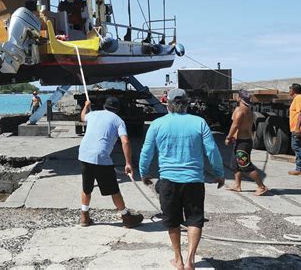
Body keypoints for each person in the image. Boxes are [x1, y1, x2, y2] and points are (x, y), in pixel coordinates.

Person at [139, 88, 224, 270]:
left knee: (173, 220)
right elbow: (212, 150)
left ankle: (177, 259)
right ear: (187, 104)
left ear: (168, 105)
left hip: (169, 180)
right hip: (193, 180)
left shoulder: (157, 124)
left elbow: (147, 152)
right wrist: (219, 173)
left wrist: (144, 172)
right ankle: (190, 261)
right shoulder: (199, 123)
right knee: (195, 219)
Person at [78, 96, 144, 228]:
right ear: (118, 109)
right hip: (101, 157)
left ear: (104, 106)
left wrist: (86, 105)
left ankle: (84, 217)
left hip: (84, 154)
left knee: (87, 188)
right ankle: (126, 218)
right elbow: (125, 141)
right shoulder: (118, 120)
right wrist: (128, 163)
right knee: (113, 190)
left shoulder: (93, 114)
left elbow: (82, 117)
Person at [225, 90, 269, 195]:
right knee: (235, 164)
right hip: (241, 140)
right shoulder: (247, 110)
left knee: (245, 165)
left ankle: (261, 186)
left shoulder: (241, 111)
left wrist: (228, 137)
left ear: (239, 98)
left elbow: (235, 125)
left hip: (243, 142)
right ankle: (237, 185)